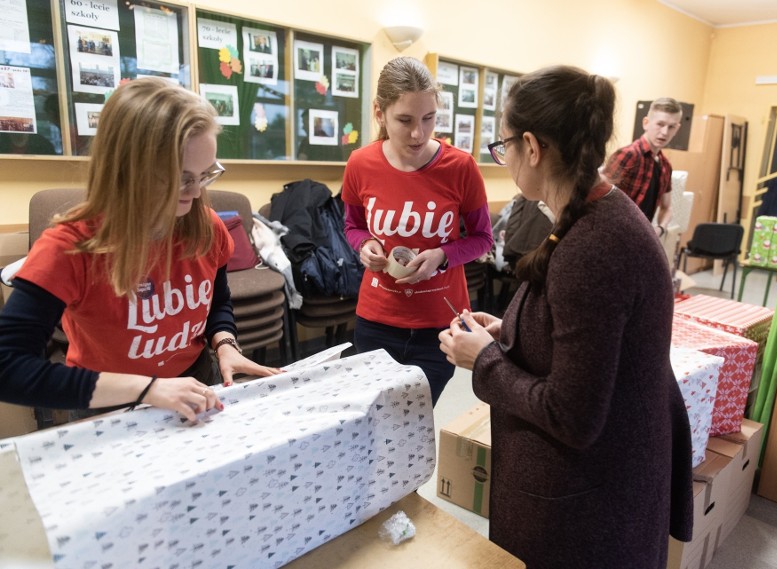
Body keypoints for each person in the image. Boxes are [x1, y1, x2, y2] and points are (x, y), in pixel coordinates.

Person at [438, 66, 693, 568]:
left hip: (585, 502)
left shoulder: (592, 247)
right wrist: (508, 331)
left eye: (503, 145)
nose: (503, 158)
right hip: (602, 479)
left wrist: (484, 361)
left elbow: (573, 415)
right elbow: (579, 340)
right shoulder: (600, 213)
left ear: (532, 147)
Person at [0, 77, 281, 422]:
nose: (195, 191)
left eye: (205, 174)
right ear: (130, 169)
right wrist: (148, 388)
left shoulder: (207, 227)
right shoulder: (70, 246)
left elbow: (217, 300)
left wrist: (225, 343)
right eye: (181, 178)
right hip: (111, 403)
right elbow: (8, 368)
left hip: (195, 382)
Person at [341, 56, 493, 406]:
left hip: (440, 323)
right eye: (405, 120)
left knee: (417, 423)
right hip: (377, 318)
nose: (418, 134)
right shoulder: (361, 163)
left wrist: (442, 256)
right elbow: (353, 226)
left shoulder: (461, 167)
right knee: (375, 420)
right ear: (380, 113)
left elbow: (482, 237)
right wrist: (364, 245)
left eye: (429, 119)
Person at [603, 97, 682, 236]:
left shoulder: (665, 166)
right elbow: (598, 200)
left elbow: (666, 207)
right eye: (660, 124)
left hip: (640, 237)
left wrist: (660, 229)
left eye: (671, 127)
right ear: (646, 123)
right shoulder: (627, 155)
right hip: (613, 235)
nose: (664, 132)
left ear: (677, 129)